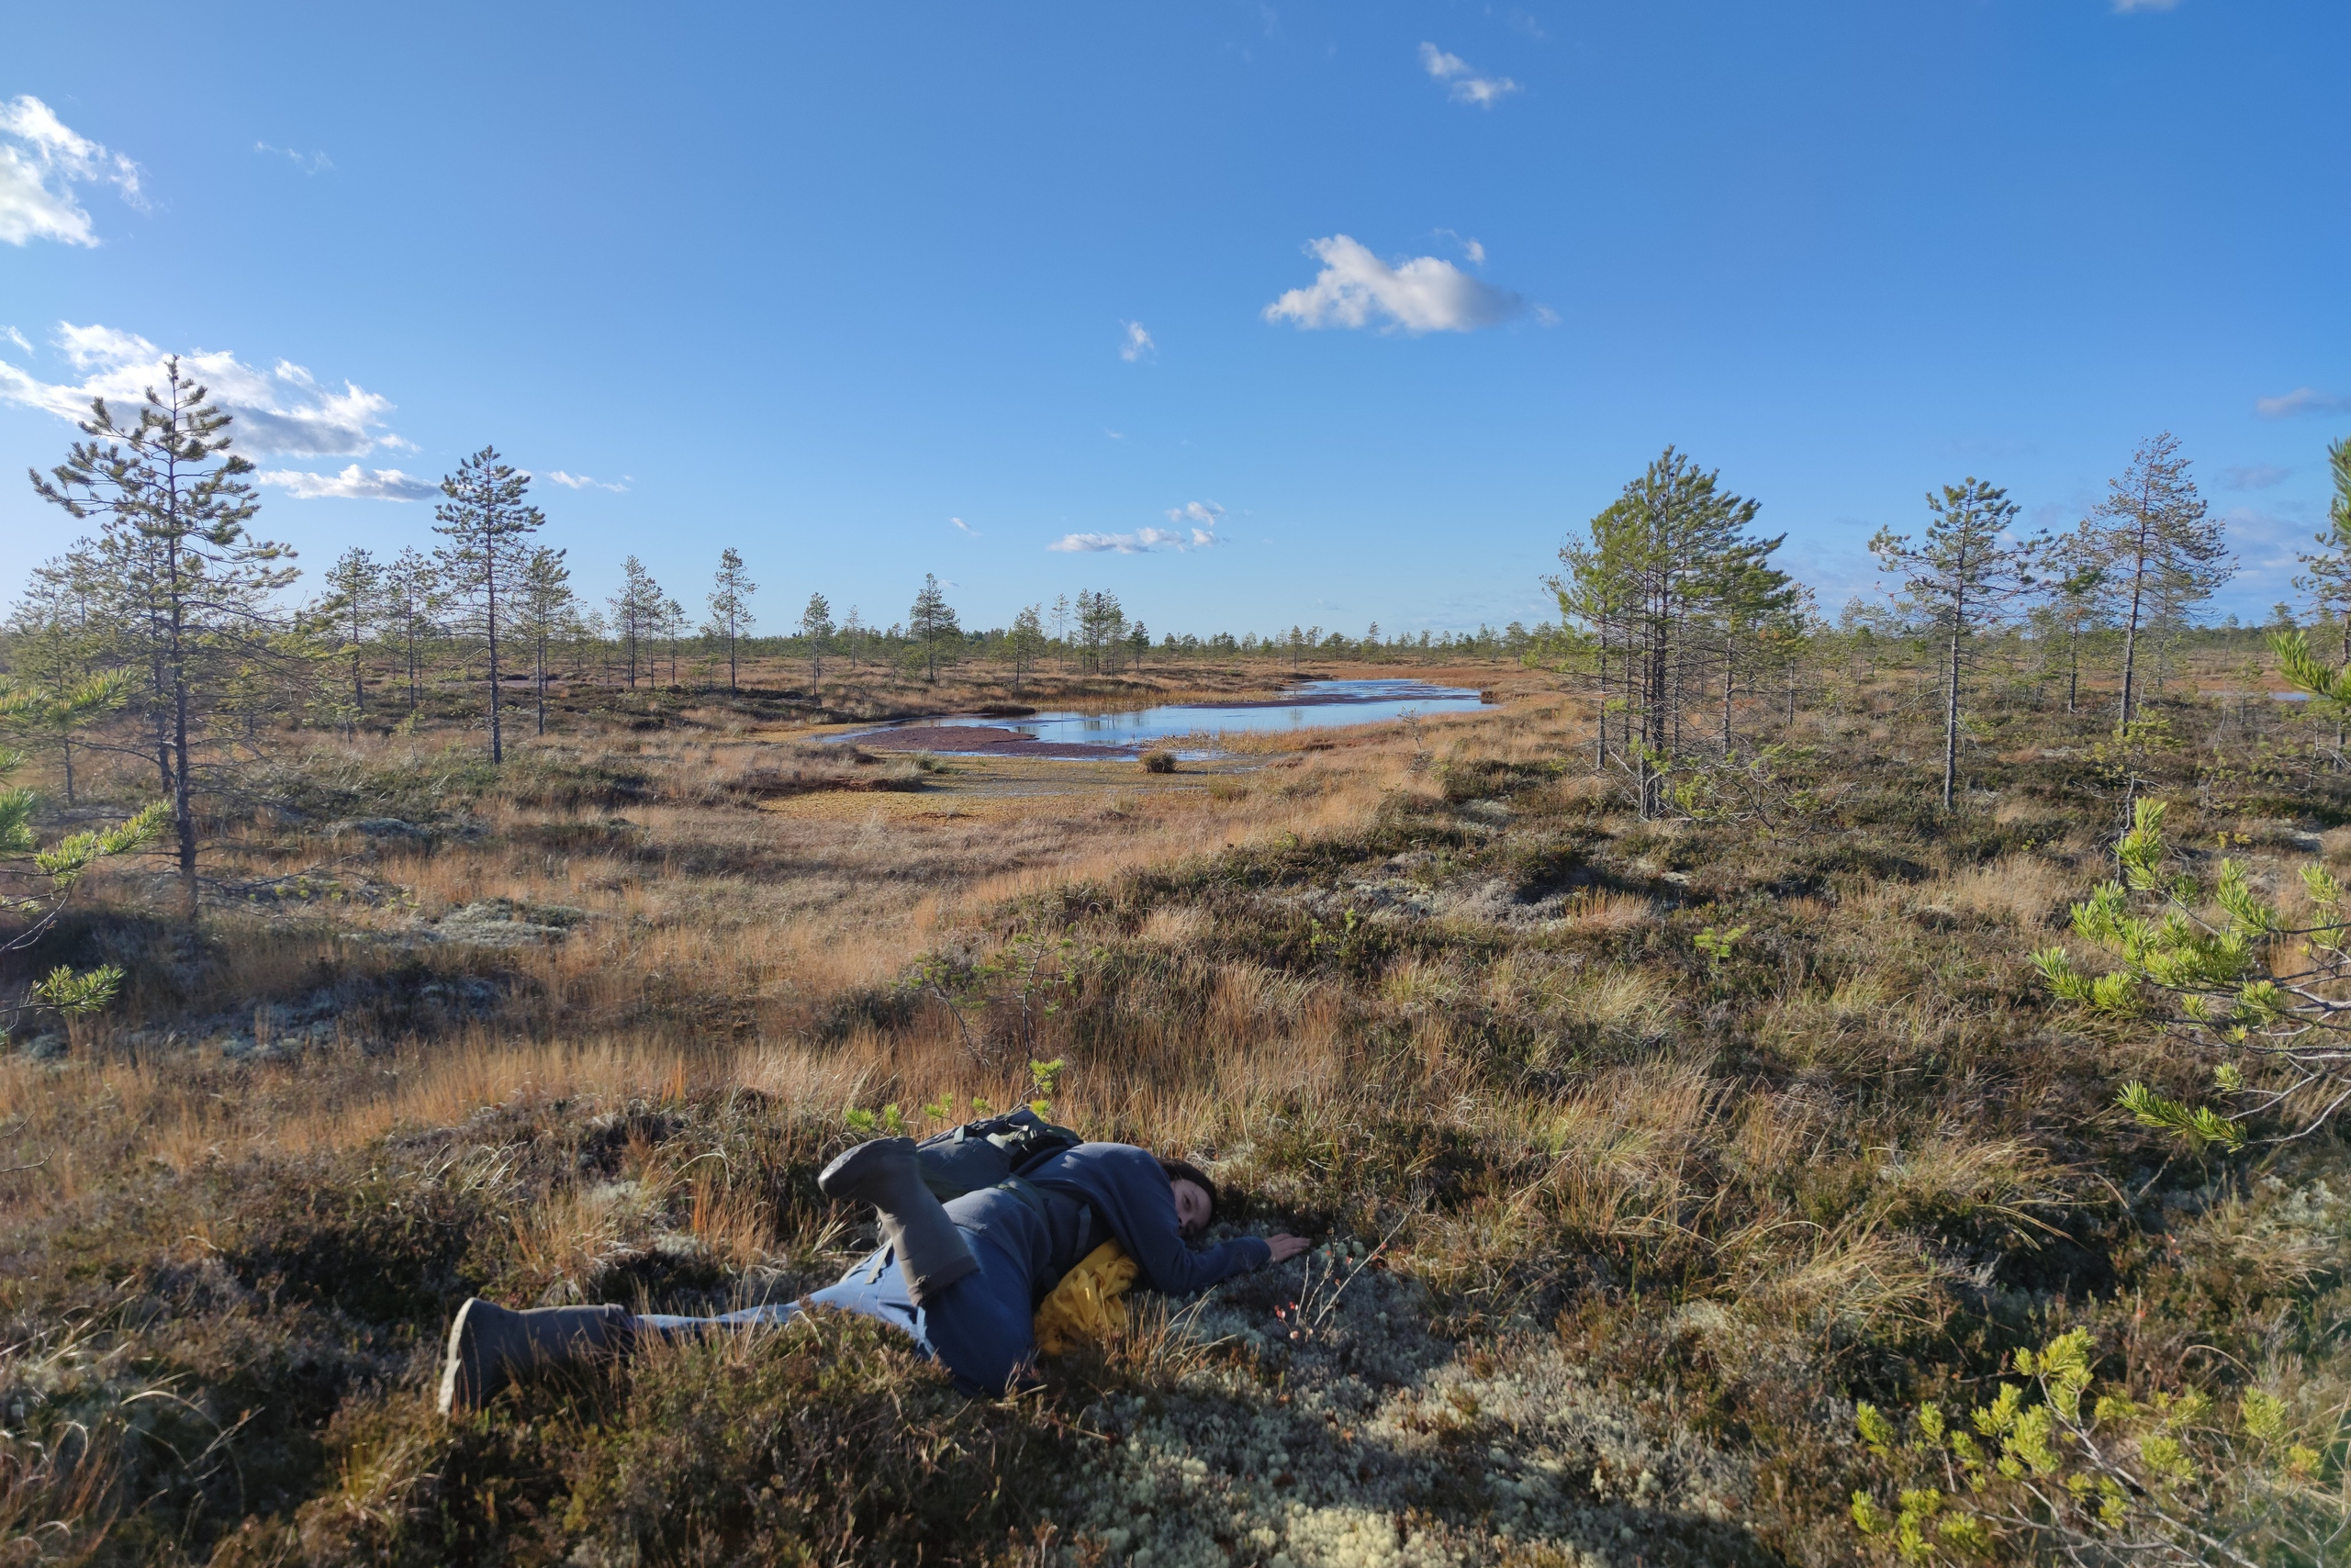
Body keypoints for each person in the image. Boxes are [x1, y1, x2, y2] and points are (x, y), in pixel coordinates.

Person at [438, 1137, 1311, 1414]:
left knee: (733, 1337)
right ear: (1168, 1174)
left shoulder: (1105, 1181)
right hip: (986, 1240)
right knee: (1003, 1372)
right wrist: (1254, 1251)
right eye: (1187, 1200)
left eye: (1192, 1213)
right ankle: (896, 1190)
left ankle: (505, 1340)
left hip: (921, 1262)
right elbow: (1173, 1268)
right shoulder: (1123, 1165)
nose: (1183, 1217)